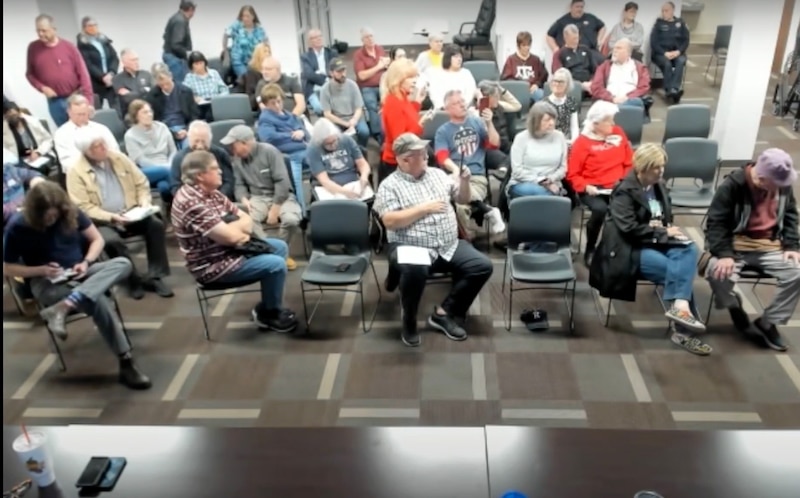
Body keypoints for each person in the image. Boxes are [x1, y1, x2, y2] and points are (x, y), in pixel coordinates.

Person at [3, 181, 151, 389]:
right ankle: (126, 363)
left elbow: (97, 240)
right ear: (35, 213)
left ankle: (65, 306)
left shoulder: (71, 212)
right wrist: (40, 270)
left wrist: (86, 262)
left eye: (54, 216)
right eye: (46, 218)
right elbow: (7, 268)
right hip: (46, 281)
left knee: (123, 263)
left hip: (79, 271)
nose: (51, 221)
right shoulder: (17, 226)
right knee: (96, 299)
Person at [590, 143, 710, 355]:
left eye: (662, 166)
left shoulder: (658, 186)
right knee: (676, 271)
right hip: (629, 248)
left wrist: (665, 227)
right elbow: (628, 229)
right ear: (643, 168)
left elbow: (664, 215)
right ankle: (682, 331)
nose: (661, 171)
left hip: (655, 239)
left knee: (689, 249)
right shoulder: (624, 191)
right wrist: (661, 233)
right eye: (657, 167)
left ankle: (680, 307)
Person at [375, 133, 493, 347]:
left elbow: (463, 199)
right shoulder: (389, 186)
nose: (427, 156)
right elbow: (390, 221)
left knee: (482, 266)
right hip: (411, 245)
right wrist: (424, 208)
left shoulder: (438, 174)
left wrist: (465, 182)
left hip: (448, 244)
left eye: (425, 152)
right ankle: (409, 319)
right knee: (415, 269)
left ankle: (444, 313)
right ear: (404, 160)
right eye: (420, 154)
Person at [171, 149, 298, 333]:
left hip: (229, 250)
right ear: (200, 175)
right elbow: (232, 237)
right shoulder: (191, 202)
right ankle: (270, 315)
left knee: (280, 247)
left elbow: (246, 219)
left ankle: (267, 307)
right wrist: (236, 232)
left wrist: (234, 230)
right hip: (212, 265)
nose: (221, 171)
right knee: (276, 264)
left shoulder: (211, 192)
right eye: (215, 168)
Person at [702, 149, 799, 352]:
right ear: (762, 179)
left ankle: (767, 322)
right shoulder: (732, 186)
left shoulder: (781, 184)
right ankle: (733, 306)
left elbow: (790, 214)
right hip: (734, 244)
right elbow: (716, 223)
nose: (781, 188)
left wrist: (792, 245)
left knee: (797, 272)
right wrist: (725, 254)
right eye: (777, 184)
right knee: (715, 272)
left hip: (769, 245)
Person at [67, 127, 173, 300]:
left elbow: (141, 182)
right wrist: (111, 217)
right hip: (102, 220)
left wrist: (144, 202)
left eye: (103, 143)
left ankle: (156, 275)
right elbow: (83, 206)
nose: (104, 147)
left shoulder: (119, 158)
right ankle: (133, 280)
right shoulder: (75, 171)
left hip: (132, 212)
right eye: (97, 146)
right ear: (87, 151)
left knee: (156, 225)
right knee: (111, 241)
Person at [221, 124, 302, 270]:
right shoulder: (237, 160)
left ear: (244, 142)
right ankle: (271, 252)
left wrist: (275, 208)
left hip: (282, 196)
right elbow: (239, 185)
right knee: (247, 221)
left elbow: (282, 182)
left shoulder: (270, 151)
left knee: (291, 220)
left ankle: (280, 251)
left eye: (234, 146)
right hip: (257, 197)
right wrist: (244, 200)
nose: (231, 150)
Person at [567, 100, 633, 266]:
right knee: (600, 210)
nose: (613, 123)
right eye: (609, 120)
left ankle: (619, 249)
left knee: (627, 209)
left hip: (618, 185)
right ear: (596, 124)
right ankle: (590, 248)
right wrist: (585, 186)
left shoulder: (618, 133)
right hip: (593, 189)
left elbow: (628, 163)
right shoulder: (582, 142)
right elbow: (572, 173)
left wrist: (623, 181)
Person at [434, 90, 506, 236]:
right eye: (456, 103)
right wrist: (455, 170)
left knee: (457, 202)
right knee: (458, 202)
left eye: (462, 101)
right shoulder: (443, 131)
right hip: (454, 178)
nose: (462, 105)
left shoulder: (477, 122)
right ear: (447, 109)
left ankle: (464, 240)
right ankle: (487, 211)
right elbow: (442, 156)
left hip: (476, 177)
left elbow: (494, 144)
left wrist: (489, 123)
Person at [26, 14, 94, 126]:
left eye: (44, 31)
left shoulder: (69, 47)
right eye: (38, 31)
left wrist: (89, 101)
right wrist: (42, 87)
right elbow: (30, 74)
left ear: (54, 29)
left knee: (83, 129)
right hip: (55, 102)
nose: (40, 34)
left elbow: (83, 75)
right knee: (65, 133)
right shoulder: (33, 48)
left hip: (75, 97)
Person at [256, 83, 310, 212]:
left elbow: (305, 133)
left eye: (279, 101)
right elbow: (268, 137)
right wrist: (292, 135)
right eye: (272, 103)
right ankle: (302, 212)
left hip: (305, 151)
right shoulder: (265, 119)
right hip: (289, 156)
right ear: (265, 104)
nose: (276, 105)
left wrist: (302, 133)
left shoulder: (289, 115)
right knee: (297, 185)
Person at [379, 58, 429, 183]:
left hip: (408, 158)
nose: (415, 81)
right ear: (398, 80)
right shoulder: (393, 103)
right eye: (410, 78)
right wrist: (420, 124)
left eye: (415, 77)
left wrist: (417, 103)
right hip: (396, 165)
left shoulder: (402, 97)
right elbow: (400, 141)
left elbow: (406, 118)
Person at [507, 101, 568, 199]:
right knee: (545, 195)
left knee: (549, 195)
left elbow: (563, 168)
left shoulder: (559, 137)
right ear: (536, 121)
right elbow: (517, 171)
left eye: (553, 119)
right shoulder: (521, 138)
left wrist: (551, 179)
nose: (552, 123)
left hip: (552, 182)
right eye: (547, 120)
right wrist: (541, 181)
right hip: (523, 182)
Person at [123, 99, 176, 203]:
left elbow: (173, 150)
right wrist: (165, 167)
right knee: (168, 173)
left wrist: (170, 163)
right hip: (146, 170)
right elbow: (141, 160)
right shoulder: (130, 135)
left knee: (164, 187)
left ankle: (170, 209)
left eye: (150, 111)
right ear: (136, 115)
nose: (149, 114)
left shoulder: (162, 127)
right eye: (145, 112)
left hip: (168, 166)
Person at [170, 120, 236, 201]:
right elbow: (175, 187)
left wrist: (216, 198)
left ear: (210, 140)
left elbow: (229, 181)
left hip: (220, 200)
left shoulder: (221, 154)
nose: (200, 146)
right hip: (191, 203)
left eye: (203, 141)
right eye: (196, 141)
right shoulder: (179, 158)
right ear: (189, 139)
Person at [307, 119, 372, 200]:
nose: (333, 145)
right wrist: (345, 192)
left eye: (334, 141)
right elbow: (324, 180)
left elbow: (362, 164)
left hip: (352, 182)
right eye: (328, 144)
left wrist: (364, 177)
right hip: (329, 188)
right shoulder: (313, 149)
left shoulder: (346, 140)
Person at [145, 63, 200, 149]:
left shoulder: (185, 91)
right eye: (161, 85)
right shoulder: (152, 96)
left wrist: (186, 129)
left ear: (171, 76)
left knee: (188, 148)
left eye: (167, 83)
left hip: (184, 127)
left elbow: (194, 115)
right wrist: (172, 134)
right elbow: (154, 120)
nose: (165, 87)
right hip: (164, 130)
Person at [320, 58, 370, 147]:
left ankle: (361, 151)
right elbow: (327, 114)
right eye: (339, 71)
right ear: (331, 73)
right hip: (337, 119)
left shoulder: (352, 85)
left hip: (354, 117)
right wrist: (345, 124)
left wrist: (354, 120)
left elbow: (359, 108)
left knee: (364, 132)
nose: (343, 74)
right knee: (333, 135)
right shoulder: (325, 89)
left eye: (344, 70)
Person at [590, 38, 651, 109]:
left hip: (630, 102)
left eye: (619, 48)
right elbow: (596, 87)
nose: (614, 50)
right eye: (614, 48)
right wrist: (611, 98)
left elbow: (644, 88)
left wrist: (627, 97)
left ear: (628, 53)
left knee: (637, 102)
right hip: (608, 102)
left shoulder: (640, 68)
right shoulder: (604, 66)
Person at [650, 1, 690, 104]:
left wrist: (679, 51)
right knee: (667, 64)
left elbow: (686, 40)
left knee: (680, 61)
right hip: (661, 54)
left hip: (677, 53)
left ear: (672, 11)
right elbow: (653, 42)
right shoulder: (658, 24)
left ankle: (674, 89)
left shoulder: (680, 23)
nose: (664, 13)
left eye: (666, 10)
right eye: (663, 11)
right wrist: (664, 53)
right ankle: (669, 90)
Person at [76, 16, 119, 108]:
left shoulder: (103, 40)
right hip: (95, 83)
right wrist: (102, 76)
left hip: (110, 81)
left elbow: (114, 57)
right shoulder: (83, 44)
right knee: (97, 109)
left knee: (116, 108)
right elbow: (87, 64)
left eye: (95, 25)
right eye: (90, 26)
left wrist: (112, 73)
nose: (93, 27)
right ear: (84, 28)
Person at [353, 27, 388, 141]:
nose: (370, 39)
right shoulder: (358, 54)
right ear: (362, 40)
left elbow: (386, 66)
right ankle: (377, 134)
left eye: (371, 36)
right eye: (366, 37)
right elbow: (362, 76)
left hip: (383, 84)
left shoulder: (380, 49)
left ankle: (388, 130)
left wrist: (387, 65)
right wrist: (379, 66)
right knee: (372, 105)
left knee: (390, 102)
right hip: (367, 87)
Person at [2, 100, 56, 169]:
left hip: (41, 153)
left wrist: (38, 152)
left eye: (13, 115)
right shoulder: (5, 130)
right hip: (20, 159)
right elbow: (6, 151)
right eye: (8, 117)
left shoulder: (33, 122)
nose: (12, 118)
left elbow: (49, 140)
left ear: (19, 113)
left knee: (40, 168)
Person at [422, 45, 477, 110]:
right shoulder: (436, 73)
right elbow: (434, 94)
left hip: (462, 109)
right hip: (442, 110)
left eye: (460, 57)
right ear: (448, 58)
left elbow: (470, 92)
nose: (459, 59)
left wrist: (461, 106)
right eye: (456, 57)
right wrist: (443, 107)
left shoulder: (466, 73)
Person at [501, 31, 548, 102]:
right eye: (524, 45)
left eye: (528, 45)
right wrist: (521, 87)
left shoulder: (536, 60)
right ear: (518, 45)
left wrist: (536, 85)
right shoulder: (511, 59)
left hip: (533, 90)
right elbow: (506, 78)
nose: (527, 48)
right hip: (517, 90)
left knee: (541, 96)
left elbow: (543, 76)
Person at [3, 148, 45, 224]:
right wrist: (19, 210)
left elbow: (30, 174)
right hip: (10, 225)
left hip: (28, 214)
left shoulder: (8, 169)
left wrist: (37, 182)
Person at [300, 29, 337, 116]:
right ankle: (327, 124)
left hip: (331, 86)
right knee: (318, 108)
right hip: (313, 88)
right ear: (309, 41)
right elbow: (309, 74)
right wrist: (325, 78)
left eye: (320, 36)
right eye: (315, 38)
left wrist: (318, 73)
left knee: (335, 106)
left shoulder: (332, 53)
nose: (318, 39)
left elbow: (336, 70)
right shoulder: (305, 57)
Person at [226, 5, 267, 78]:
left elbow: (265, 45)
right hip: (239, 61)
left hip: (255, 62)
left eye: (247, 16)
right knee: (248, 79)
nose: (245, 18)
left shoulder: (259, 29)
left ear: (253, 16)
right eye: (243, 16)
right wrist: (226, 53)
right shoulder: (237, 25)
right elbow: (226, 35)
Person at [162, 1, 196, 83]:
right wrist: (187, 54)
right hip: (176, 59)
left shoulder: (175, 18)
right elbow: (176, 44)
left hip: (172, 56)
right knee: (181, 85)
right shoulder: (180, 21)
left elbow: (165, 36)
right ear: (191, 9)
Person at [113, 49, 154, 116]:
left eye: (137, 59)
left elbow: (154, 93)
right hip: (131, 115)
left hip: (150, 111)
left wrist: (133, 93)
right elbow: (127, 99)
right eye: (133, 60)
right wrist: (144, 90)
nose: (136, 62)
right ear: (124, 62)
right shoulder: (118, 79)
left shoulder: (146, 74)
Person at [546, 68, 580, 142]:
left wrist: (573, 141)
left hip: (567, 140)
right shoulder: (544, 104)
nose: (557, 84)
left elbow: (574, 127)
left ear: (567, 84)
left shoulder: (571, 101)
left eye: (561, 82)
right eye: (555, 81)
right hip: (548, 141)